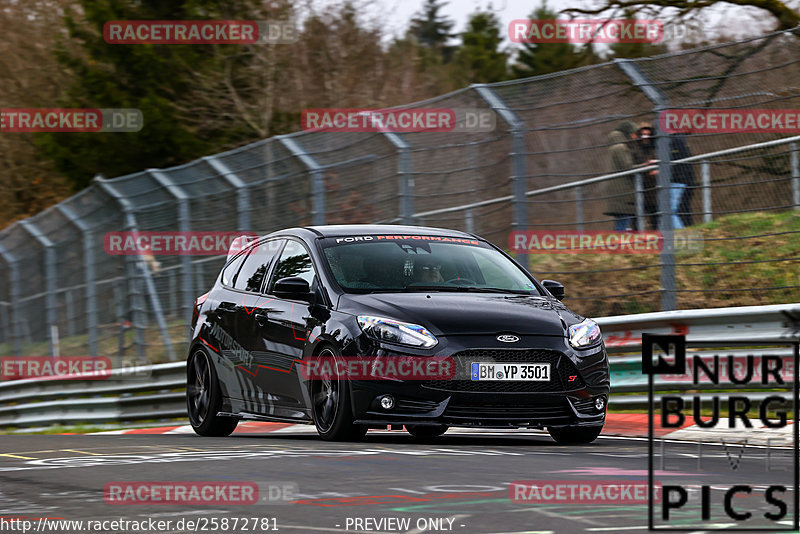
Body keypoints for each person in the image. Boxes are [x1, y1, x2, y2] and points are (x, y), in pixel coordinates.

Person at [604, 121, 638, 231]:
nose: (635, 136)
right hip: (622, 190)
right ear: (627, 133)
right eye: (633, 133)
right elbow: (628, 167)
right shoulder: (621, 147)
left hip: (616, 190)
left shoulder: (613, 147)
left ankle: (617, 244)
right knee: (623, 220)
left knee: (622, 220)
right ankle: (617, 245)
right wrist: (645, 167)